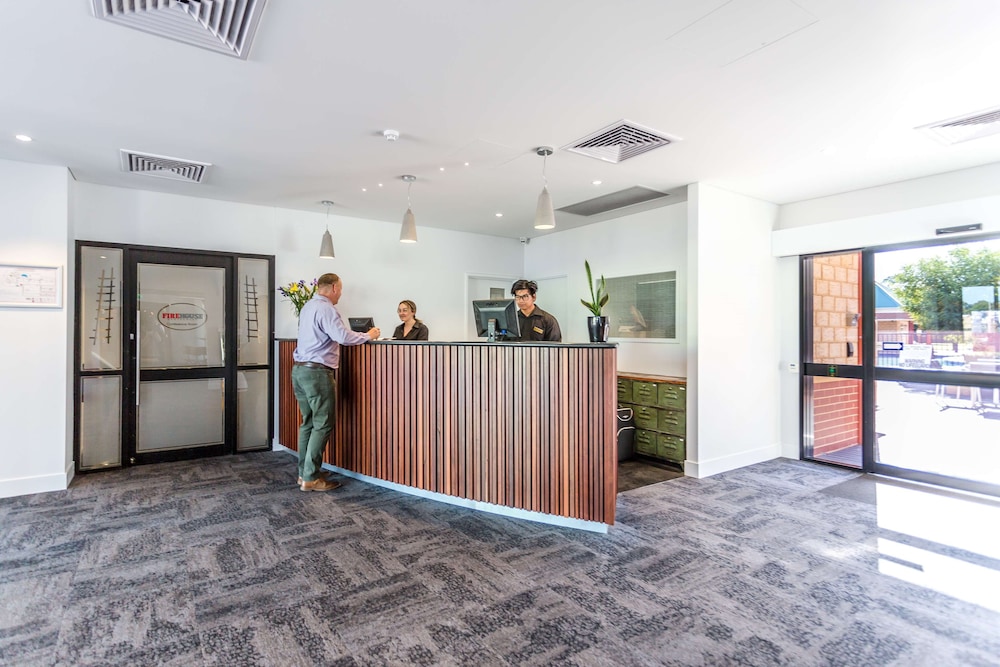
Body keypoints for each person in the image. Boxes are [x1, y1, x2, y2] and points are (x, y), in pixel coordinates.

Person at [292, 273, 379, 491]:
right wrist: (368, 335)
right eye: (340, 289)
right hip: (317, 373)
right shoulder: (327, 308)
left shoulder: (308, 307)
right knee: (322, 423)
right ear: (333, 287)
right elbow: (342, 337)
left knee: (308, 423)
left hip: (300, 370)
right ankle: (311, 478)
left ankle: (304, 473)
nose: (340, 294)